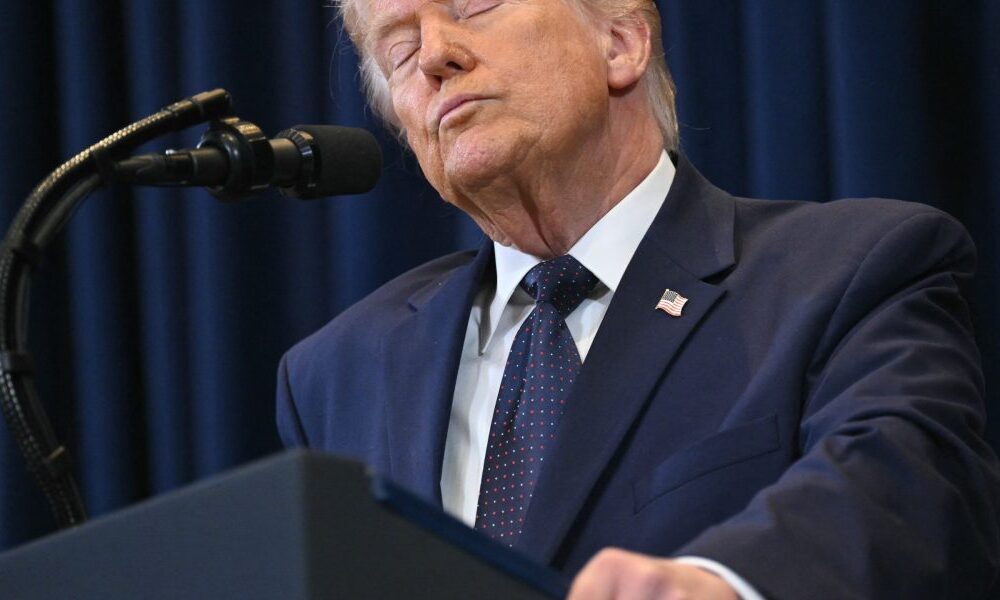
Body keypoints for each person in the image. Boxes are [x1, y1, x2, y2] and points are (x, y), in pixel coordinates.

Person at [276, 0, 1000, 597]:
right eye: (400, 50)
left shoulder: (847, 270)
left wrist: (721, 583)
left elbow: (909, 486)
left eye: (475, 8)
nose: (436, 54)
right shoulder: (336, 375)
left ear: (621, 43)